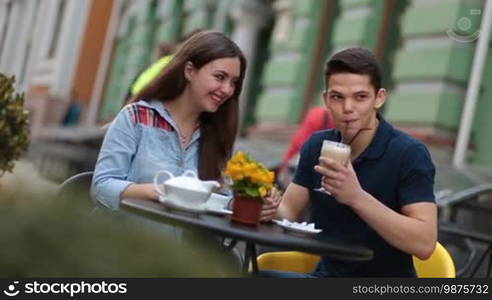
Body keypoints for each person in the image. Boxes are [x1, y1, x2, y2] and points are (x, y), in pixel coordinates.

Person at [259, 47, 437, 277]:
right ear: (326, 100)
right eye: (337, 97)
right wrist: (269, 207)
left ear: (379, 98)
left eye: (360, 97)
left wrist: (356, 197)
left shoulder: (409, 153)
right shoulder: (318, 145)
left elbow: (424, 244)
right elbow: (289, 211)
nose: (348, 108)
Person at [91, 31, 247, 210]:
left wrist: (249, 204)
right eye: (220, 77)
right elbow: (101, 188)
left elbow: (220, 201)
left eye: (234, 82)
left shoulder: (216, 134)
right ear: (189, 71)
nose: (227, 89)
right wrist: (155, 191)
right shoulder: (136, 118)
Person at [277, 106, 335, 189]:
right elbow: (300, 144)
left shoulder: (320, 114)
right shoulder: (320, 116)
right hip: (304, 171)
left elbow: (297, 143)